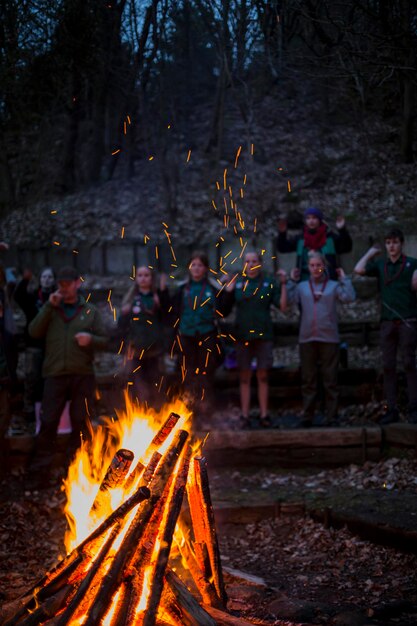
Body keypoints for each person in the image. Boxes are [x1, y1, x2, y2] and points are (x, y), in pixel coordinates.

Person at [27, 265, 108, 484]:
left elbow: (107, 341)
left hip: (83, 374)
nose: (63, 288)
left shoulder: (90, 310)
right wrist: (47, 307)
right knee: (48, 421)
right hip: (54, 374)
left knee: (81, 423)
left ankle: (76, 471)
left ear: (77, 283)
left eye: (67, 284)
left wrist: (91, 340)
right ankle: (39, 473)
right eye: (60, 284)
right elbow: (33, 332)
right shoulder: (51, 309)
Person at [354, 228, 417, 424]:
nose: (392, 246)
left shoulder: (412, 264)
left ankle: (414, 408)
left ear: (401, 243)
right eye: (388, 242)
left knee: (409, 364)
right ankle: (391, 409)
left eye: (395, 242)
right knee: (388, 366)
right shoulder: (380, 264)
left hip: (408, 320)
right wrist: (371, 253)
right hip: (387, 322)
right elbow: (358, 269)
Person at [288, 251, 355, 427]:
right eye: (312, 265)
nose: (316, 268)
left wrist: (344, 279)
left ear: (324, 266)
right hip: (307, 338)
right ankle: (307, 415)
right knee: (308, 379)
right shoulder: (302, 287)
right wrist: (290, 281)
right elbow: (288, 300)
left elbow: (349, 297)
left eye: (319, 265)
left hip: (329, 338)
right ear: (307, 267)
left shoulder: (333, 286)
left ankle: (332, 415)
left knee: (330, 379)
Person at [224, 250, 287, 428]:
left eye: (254, 261)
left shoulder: (269, 282)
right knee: (244, 376)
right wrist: (226, 287)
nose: (251, 264)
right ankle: (245, 415)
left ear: (260, 263)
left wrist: (283, 285)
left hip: (263, 334)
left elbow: (282, 307)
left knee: (263, 375)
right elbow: (224, 308)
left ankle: (264, 414)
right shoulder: (238, 283)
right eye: (247, 261)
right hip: (242, 336)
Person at [172, 251, 231, 418]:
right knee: (188, 375)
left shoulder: (213, 288)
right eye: (193, 265)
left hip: (207, 335)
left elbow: (223, 311)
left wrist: (227, 291)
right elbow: (171, 312)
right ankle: (189, 412)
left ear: (205, 268)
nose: (196, 268)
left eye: (200, 265)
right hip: (186, 335)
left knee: (206, 374)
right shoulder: (182, 289)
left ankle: (206, 412)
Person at [117, 266, 169, 407]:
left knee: (157, 385)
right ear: (136, 279)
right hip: (135, 352)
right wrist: (124, 314)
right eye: (140, 275)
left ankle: (157, 416)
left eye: (146, 275)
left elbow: (167, 319)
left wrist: (162, 297)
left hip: (155, 351)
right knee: (139, 388)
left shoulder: (157, 298)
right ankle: (141, 416)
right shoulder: (130, 299)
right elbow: (122, 327)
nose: (143, 278)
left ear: (151, 278)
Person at [14, 267, 56, 428]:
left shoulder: (57, 298)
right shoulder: (32, 298)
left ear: (53, 280)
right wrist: (25, 280)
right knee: (32, 379)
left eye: (50, 277)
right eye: (44, 277)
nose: (46, 280)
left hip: (52, 347)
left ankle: (46, 413)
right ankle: (29, 412)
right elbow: (18, 296)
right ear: (40, 280)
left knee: (49, 381)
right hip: (33, 346)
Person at [277, 208, 352, 281]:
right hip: (304, 281)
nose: (311, 221)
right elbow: (283, 248)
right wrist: (282, 234)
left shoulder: (330, 237)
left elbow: (346, 248)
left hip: (328, 281)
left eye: (314, 218)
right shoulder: (300, 239)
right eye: (308, 218)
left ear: (319, 220)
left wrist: (342, 230)